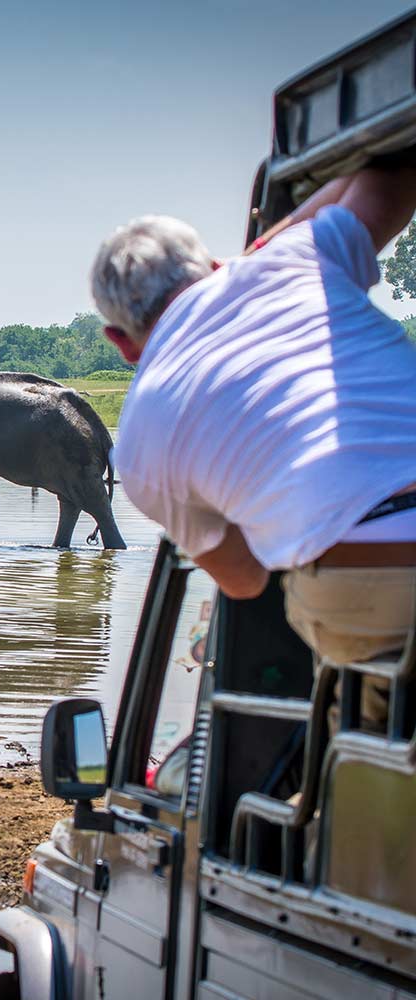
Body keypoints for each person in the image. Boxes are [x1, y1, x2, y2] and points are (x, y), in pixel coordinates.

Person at [91, 164, 416, 728]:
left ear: (120, 343)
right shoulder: (295, 258)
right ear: (215, 265)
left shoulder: (140, 439)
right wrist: (280, 237)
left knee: (361, 745)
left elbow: (246, 581)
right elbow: (389, 177)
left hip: (370, 575)